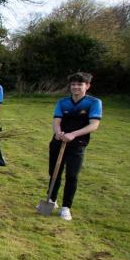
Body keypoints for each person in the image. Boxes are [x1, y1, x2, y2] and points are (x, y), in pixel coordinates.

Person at [47, 72, 102, 221]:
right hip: (58, 141)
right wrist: (58, 132)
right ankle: (51, 200)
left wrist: (73, 134)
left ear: (87, 86)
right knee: (54, 173)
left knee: (72, 175)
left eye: (79, 84)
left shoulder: (94, 102)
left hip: (77, 144)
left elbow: (94, 125)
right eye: (73, 84)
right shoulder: (63, 102)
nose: (75, 87)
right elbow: (57, 120)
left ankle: (66, 207)